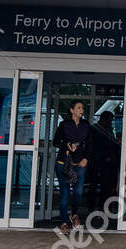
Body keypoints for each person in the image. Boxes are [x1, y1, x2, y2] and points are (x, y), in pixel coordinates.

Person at [53, 100, 91, 233]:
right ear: (72, 110)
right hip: (64, 164)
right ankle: (64, 222)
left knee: (78, 192)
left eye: (83, 108)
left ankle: (74, 215)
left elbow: (90, 144)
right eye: (79, 107)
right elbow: (56, 142)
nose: (81, 110)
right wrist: (66, 144)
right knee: (64, 193)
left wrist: (86, 158)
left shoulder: (86, 125)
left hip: (79, 164)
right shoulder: (64, 125)